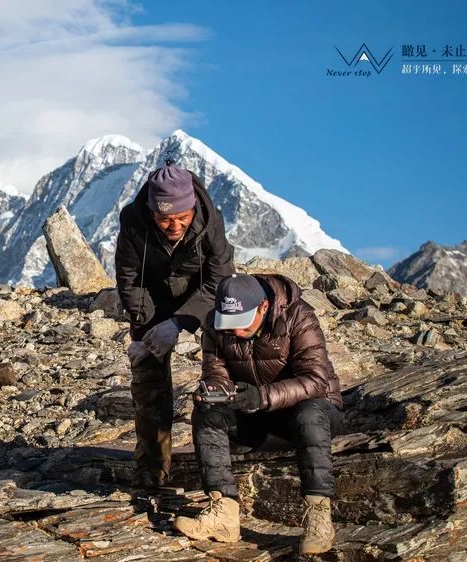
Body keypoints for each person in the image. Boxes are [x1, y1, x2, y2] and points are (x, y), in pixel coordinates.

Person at [173, 273, 344, 556]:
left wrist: (262, 396)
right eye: (228, 324)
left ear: (264, 307)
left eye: (241, 323)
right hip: (261, 420)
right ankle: (223, 514)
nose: (235, 332)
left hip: (315, 417)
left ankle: (318, 517)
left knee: (309, 412)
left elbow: (316, 381)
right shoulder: (216, 326)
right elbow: (216, 374)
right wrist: (213, 393)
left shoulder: (298, 317)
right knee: (207, 413)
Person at [114, 159, 236, 490]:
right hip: (153, 296)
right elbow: (129, 279)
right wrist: (146, 329)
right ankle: (152, 469)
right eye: (165, 219)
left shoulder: (210, 222)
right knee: (148, 374)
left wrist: (180, 323)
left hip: (202, 297)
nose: (174, 226)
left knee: (223, 363)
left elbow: (220, 279)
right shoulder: (134, 222)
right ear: (152, 213)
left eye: (182, 218)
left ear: (192, 209)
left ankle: (227, 459)